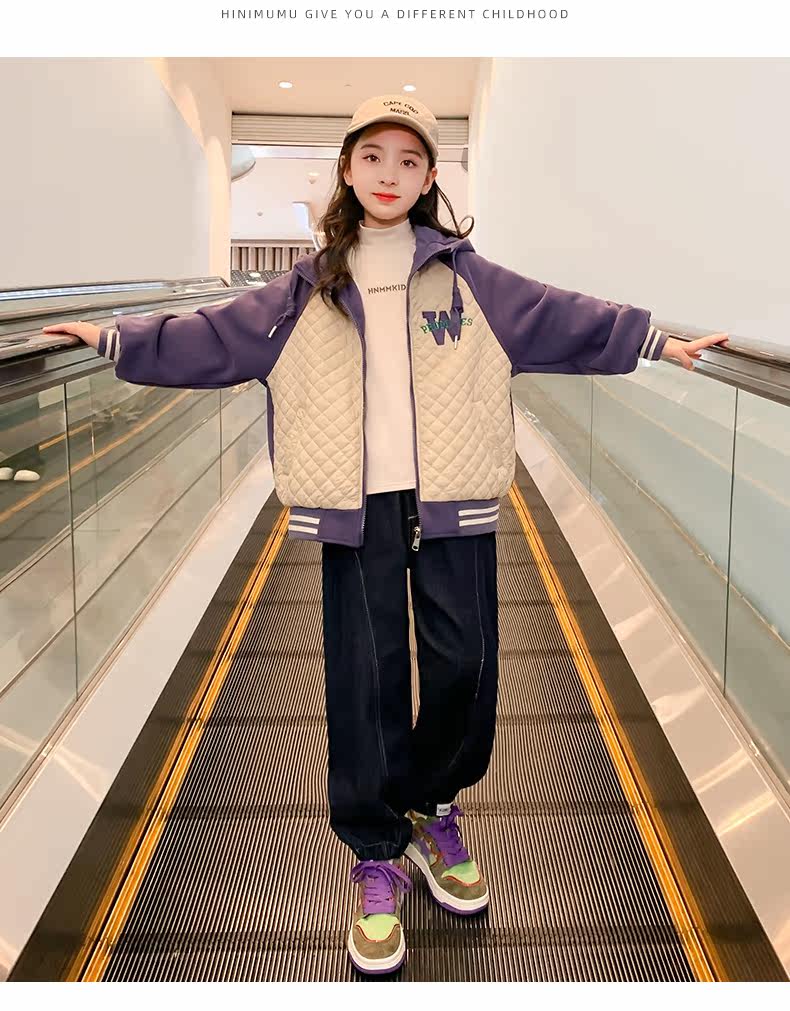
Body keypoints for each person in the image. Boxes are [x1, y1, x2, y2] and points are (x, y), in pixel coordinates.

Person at [42, 93, 728, 977]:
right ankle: (375, 850)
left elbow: (564, 317)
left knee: (466, 665)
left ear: (431, 176)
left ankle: (434, 808)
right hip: (353, 507)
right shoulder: (307, 286)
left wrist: (656, 341)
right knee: (364, 680)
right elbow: (212, 338)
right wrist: (114, 340)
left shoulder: (471, 279)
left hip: (454, 502)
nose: (390, 175)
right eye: (373, 158)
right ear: (347, 169)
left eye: (409, 160)